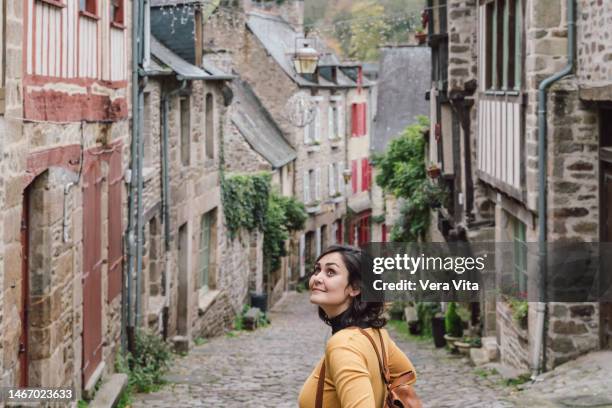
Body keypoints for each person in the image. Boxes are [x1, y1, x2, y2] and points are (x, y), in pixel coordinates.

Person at [298, 245, 417, 408]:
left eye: (330, 272)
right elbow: (405, 373)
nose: (317, 278)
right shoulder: (376, 334)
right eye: (317, 270)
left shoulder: (344, 345)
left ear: (355, 288)